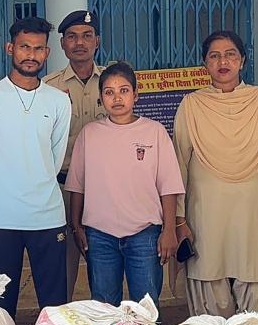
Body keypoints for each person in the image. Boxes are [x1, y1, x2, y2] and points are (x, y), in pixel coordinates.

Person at [173, 30, 258, 320]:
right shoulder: (192, 105)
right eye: (214, 56)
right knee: (209, 296)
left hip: (254, 215)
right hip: (206, 216)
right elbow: (178, 166)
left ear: (243, 61)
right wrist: (179, 219)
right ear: (205, 63)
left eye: (230, 55)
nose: (222, 62)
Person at [0, 17, 72, 317]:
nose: (31, 55)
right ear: (10, 48)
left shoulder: (59, 102)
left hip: (47, 217)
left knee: (54, 306)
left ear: (47, 53)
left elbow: (55, 157)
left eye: (38, 49)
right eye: (24, 47)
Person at [66, 62, 183, 305]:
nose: (117, 98)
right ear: (101, 98)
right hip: (99, 235)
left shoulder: (155, 132)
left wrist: (169, 230)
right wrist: (76, 226)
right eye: (109, 92)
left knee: (146, 307)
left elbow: (169, 186)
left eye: (124, 90)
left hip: (145, 233)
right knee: (104, 307)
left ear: (136, 94)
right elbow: (77, 185)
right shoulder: (89, 133)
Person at [44, 10, 107, 297]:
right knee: (62, 270)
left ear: (97, 41)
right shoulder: (48, 87)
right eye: (71, 36)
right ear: (62, 44)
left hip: (105, 190)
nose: (79, 43)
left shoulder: (112, 83)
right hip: (61, 188)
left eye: (86, 36)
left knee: (103, 268)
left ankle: (105, 320)